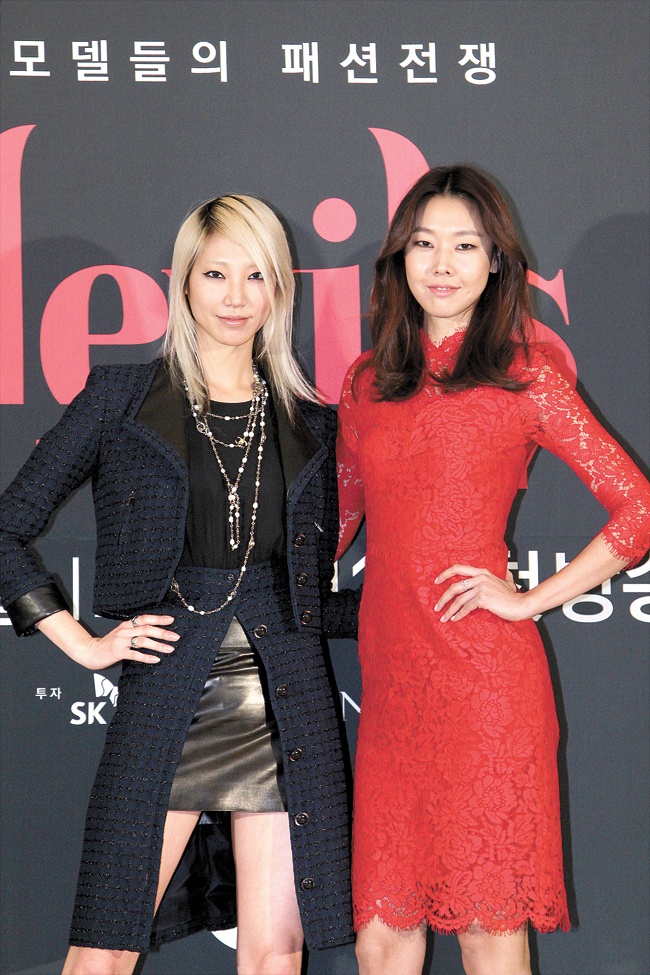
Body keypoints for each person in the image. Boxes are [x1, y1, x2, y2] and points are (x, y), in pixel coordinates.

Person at [0, 194, 359, 975]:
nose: (236, 296)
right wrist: (84, 643)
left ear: (280, 288)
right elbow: (7, 528)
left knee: (276, 952)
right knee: (101, 951)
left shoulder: (312, 421)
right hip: (169, 692)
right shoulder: (122, 398)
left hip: (287, 700)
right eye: (216, 274)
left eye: (256, 275)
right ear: (184, 281)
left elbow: (313, 591)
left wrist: (431, 600)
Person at [335, 165, 650, 975]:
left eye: (465, 245)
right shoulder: (366, 384)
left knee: (488, 932)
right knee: (381, 939)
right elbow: (335, 524)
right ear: (399, 260)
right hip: (393, 692)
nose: (442, 263)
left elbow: (637, 509)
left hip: (486, 693)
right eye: (424, 244)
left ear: (497, 262)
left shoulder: (526, 374)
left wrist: (530, 600)